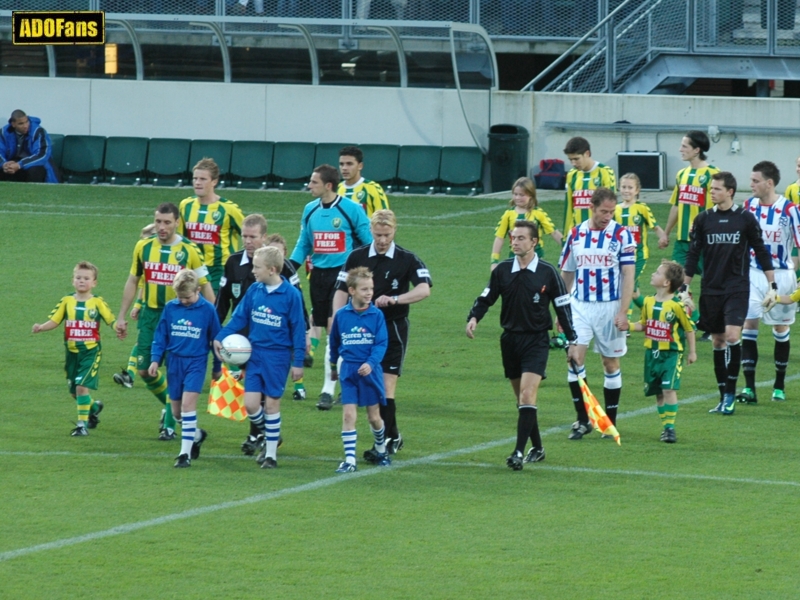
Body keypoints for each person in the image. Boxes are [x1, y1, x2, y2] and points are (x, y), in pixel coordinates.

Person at [467, 221, 578, 469]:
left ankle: (518, 452)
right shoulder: (502, 270)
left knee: (528, 394)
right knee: (522, 400)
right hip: (510, 340)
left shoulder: (549, 272)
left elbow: (563, 308)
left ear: (534, 242)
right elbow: (487, 297)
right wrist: (474, 317)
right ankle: (537, 447)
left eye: (520, 238)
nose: (514, 242)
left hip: (537, 340)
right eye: (513, 238)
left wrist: (572, 341)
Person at [332, 209, 431, 458]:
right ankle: (392, 435)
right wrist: (338, 321)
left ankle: (387, 440)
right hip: (360, 330)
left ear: (394, 231)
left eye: (387, 234)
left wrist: (396, 299)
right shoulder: (356, 256)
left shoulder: (407, 258)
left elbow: (424, 290)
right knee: (371, 387)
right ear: (371, 232)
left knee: (387, 387)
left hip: (392, 328)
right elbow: (341, 291)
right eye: (378, 235)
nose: (383, 240)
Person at [115, 202, 214, 440]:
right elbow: (133, 280)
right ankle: (170, 408)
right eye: (158, 221)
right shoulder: (143, 247)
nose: (161, 227)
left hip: (179, 317)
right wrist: (121, 315)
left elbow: (205, 286)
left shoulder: (189, 250)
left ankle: (169, 425)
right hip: (150, 316)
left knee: (174, 372)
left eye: (167, 222)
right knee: (143, 370)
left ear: (177, 223)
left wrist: (212, 321)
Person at [682, 172, 775, 415]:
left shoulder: (745, 219)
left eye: (716, 189)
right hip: (711, 289)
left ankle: (732, 394)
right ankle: (723, 395)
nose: (712, 192)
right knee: (718, 341)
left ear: (730, 191)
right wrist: (685, 286)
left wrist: (772, 284)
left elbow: (761, 251)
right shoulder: (703, 220)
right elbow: (693, 255)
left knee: (733, 336)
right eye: (711, 188)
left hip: (737, 288)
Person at [216, 215, 310, 455]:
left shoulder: (290, 294)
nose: (253, 271)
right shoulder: (255, 290)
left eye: (257, 268)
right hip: (254, 352)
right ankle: (271, 434)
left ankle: (270, 455)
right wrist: (220, 335)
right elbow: (238, 316)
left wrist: (298, 361)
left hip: (278, 356)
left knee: (271, 404)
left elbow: (298, 329)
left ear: (271, 269)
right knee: (250, 404)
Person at [288, 164, 372, 410]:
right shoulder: (310, 210)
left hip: (343, 277)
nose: (309, 186)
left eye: (313, 182)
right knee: (325, 328)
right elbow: (304, 242)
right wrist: (290, 266)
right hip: (318, 276)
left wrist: (362, 276)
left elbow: (367, 243)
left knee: (338, 329)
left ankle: (330, 389)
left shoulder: (351, 210)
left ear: (328, 186)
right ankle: (337, 386)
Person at [559, 187, 636, 439]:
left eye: (612, 212)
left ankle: (608, 423)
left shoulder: (622, 235)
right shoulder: (576, 234)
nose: (608, 216)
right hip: (579, 305)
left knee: (610, 363)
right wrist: (561, 313)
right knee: (574, 358)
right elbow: (567, 274)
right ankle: (583, 420)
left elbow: (628, 276)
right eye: (604, 211)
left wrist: (624, 312)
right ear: (592, 207)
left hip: (610, 307)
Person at [737, 161, 800, 404]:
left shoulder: (790, 209)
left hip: (783, 276)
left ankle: (779, 385)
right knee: (748, 326)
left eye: (755, 181)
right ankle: (749, 388)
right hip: (754, 274)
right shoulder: (749, 206)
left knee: (780, 329)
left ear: (769, 183)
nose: (751, 185)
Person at [32, 261, 116, 436]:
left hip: (90, 352)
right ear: (73, 281)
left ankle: (81, 426)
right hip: (71, 353)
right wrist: (41, 327)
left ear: (94, 283)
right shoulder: (66, 301)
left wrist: (118, 328)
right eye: (78, 277)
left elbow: (111, 320)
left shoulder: (98, 303)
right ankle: (94, 408)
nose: (82, 281)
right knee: (74, 393)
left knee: (81, 387)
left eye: (86, 278)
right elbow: (55, 320)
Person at [149, 270, 220, 467]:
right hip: (174, 363)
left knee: (189, 406)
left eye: (187, 297)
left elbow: (216, 339)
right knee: (177, 412)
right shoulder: (171, 308)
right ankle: (196, 435)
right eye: (180, 297)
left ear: (198, 290)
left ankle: (184, 454)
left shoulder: (208, 310)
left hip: (196, 363)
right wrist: (155, 359)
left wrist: (217, 366)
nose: (184, 301)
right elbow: (161, 335)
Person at [329, 267, 391, 473]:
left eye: (371, 289)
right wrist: (332, 366)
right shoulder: (341, 316)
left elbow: (381, 344)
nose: (369, 293)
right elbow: (335, 342)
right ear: (352, 291)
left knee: (373, 416)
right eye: (364, 289)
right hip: (348, 371)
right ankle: (350, 460)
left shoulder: (376, 315)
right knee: (348, 415)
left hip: (370, 372)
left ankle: (381, 449)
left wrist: (371, 363)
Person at [628, 261, 697, 443]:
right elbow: (643, 325)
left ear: (667, 283)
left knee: (668, 389)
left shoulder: (676, 306)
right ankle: (665, 426)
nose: (653, 274)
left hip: (672, 354)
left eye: (657, 273)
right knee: (658, 392)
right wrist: (626, 325)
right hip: (652, 354)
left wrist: (692, 352)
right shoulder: (649, 302)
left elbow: (689, 329)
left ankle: (670, 428)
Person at [179, 157, 244, 294]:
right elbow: (180, 238)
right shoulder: (186, 205)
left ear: (214, 182)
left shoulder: (229, 209)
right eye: (195, 178)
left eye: (203, 179)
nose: (197, 183)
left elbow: (249, 233)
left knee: (212, 309)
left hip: (218, 270)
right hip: (193, 269)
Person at [659, 131, 720, 271]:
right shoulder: (681, 174)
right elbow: (676, 206)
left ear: (697, 150)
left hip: (705, 239)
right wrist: (666, 233)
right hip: (682, 240)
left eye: (685, 146)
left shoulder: (713, 174)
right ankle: (685, 294)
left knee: (710, 281)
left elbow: (721, 207)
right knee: (674, 279)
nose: (680, 150)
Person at [614, 172, 666, 315]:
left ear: (637, 190)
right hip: (620, 257)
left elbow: (654, 226)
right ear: (619, 188)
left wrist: (663, 237)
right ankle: (653, 313)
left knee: (626, 285)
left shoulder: (642, 208)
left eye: (630, 187)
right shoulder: (615, 209)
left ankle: (625, 321)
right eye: (623, 187)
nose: (626, 190)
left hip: (638, 256)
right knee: (635, 293)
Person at [113, 223, 156, 390]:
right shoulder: (147, 262)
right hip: (149, 310)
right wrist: (138, 305)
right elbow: (143, 286)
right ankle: (129, 375)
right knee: (141, 342)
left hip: (168, 311)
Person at [491, 176, 562, 268]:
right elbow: (499, 238)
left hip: (537, 258)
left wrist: (568, 248)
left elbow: (554, 233)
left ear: (531, 195)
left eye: (521, 195)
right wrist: (494, 261)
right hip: (515, 258)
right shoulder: (508, 214)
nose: (517, 197)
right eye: (515, 194)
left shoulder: (538, 213)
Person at [562, 136, 616, 233]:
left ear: (587, 154)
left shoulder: (605, 172)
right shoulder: (572, 174)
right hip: (578, 233)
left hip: (600, 232)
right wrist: (566, 235)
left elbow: (611, 205)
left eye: (576, 159)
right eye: (570, 160)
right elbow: (568, 208)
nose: (573, 163)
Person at [0, 109, 59, 183]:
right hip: (14, 163)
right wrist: (4, 164)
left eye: (26, 122)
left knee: (35, 170)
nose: (25, 126)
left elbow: (42, 155)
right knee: (5, 168)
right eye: (21, 123)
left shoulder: (38, 131)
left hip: (34, 164)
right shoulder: (3, 132)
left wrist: (19, 165)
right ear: (13, 124)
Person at [338, 146, 390, 217]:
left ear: (360, 166)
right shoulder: (337, 189)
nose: (344, 168)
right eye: (341, 164)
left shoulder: (372, 188)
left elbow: (384, 219)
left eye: (349, 164)